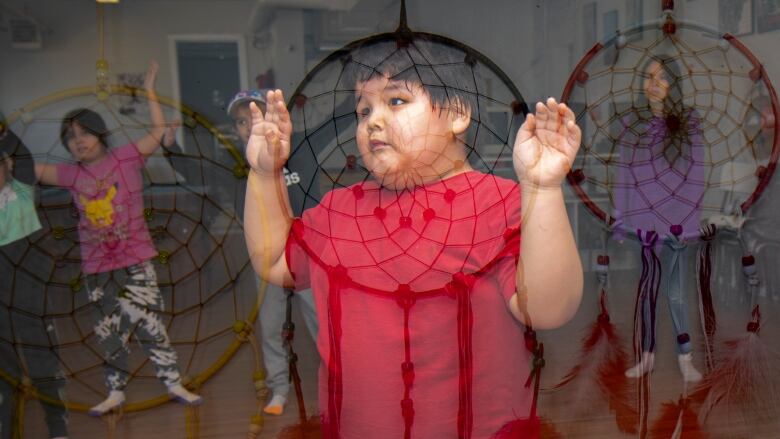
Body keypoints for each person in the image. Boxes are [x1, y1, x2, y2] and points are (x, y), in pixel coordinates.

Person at [243, 38, 583, 438]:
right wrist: (264, 175)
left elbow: (548, 310)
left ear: (456, 114)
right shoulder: (339, 210)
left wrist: (542, 189)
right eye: (363, 109)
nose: (373, 120)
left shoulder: (502, 204)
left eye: (397, 101)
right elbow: (274, 262)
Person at [34, 61, 202, 416]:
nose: (78, 141)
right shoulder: (67, 173)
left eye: (85, 133)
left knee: (151, 324)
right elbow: (24, 168)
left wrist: (149, 91)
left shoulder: (126, 157)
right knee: (108, 332)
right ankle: (115, 391)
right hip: (97, 268)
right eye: (71, 136)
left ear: (100, 134)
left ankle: (173, 382)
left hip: (136, 259)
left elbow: (158, 129)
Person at [613, 55, 705, 382]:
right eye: (648, 77)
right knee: (647, 291)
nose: (654, 84)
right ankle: (647, 356)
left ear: (674, 84)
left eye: (663, 77)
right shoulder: (630, 124)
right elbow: (623, 173)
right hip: (645, 224)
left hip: (678, 223)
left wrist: (688, 223)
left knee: (677, 293)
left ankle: (685, 359)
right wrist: (621, 218)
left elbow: (696, 174)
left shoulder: (689, 122)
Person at [227, 90, 318, 415]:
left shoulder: (303, 148)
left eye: (254, 115)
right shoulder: (239, 169)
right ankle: (279, 387)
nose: (247, 125)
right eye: (240, 121)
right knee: (272, 322)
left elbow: (342, 117)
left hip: (308, 254)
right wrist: (169, 146)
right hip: (268, 257)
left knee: (320, 319)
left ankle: (338, 381)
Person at [0, 121, 69, 438]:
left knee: (44, 369)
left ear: (7, 167)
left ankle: (57, 428)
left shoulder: (21, 193)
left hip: (31, 305)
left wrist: (4, 131)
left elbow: (23, 157)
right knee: (6, 377)